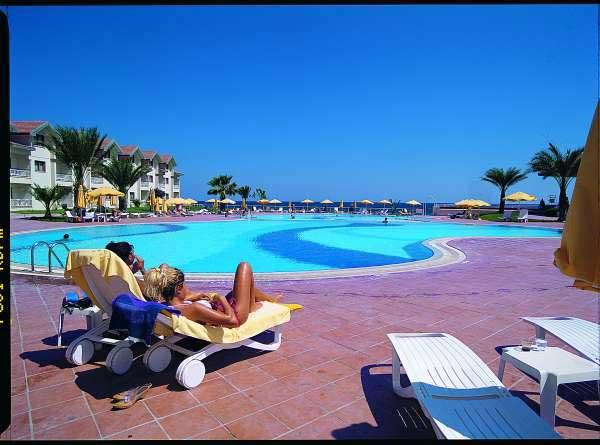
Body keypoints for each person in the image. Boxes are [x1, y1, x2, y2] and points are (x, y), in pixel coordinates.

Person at [143, 262, 282, 328]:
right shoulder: (193, 308)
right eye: (184, 284)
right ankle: (261, 304)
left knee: (241, 288)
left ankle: (269, 300)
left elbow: (163, 266)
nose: (187, 287)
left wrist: (194, 297)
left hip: (220, 309)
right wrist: (220, 298)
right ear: (178, 288)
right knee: (244, 267)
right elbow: (233, 321)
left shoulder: (167, 305)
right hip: (236, 315)